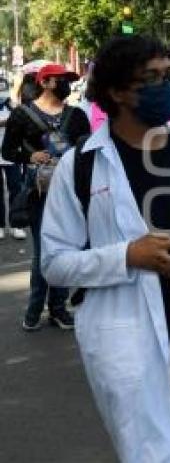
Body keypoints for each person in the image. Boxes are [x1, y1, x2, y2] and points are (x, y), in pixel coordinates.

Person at [40, 35, 170, 462]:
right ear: (115, 91)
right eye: (151, 78)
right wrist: (128, 255)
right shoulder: (83, 166)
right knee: (153, 451)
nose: (165, 87)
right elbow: (54, 263)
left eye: (169, 75)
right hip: (130, 337)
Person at [2, 63, 90, 331]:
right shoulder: (21, 115)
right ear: (46, 82)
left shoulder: (76, 115)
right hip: (38, 193)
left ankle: (59, 309)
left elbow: (88, 150)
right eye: (63, 80)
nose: (68, 85)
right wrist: (30, 156)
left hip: (70, 192)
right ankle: (34, 308)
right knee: (43, 250)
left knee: (64, 248)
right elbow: (7, 152)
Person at [0, 93, 26, 240]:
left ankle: (16, 225)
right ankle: (0, 225)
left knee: (15, 189)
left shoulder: (12, 106)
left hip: (12, 154)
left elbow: (20, 122)